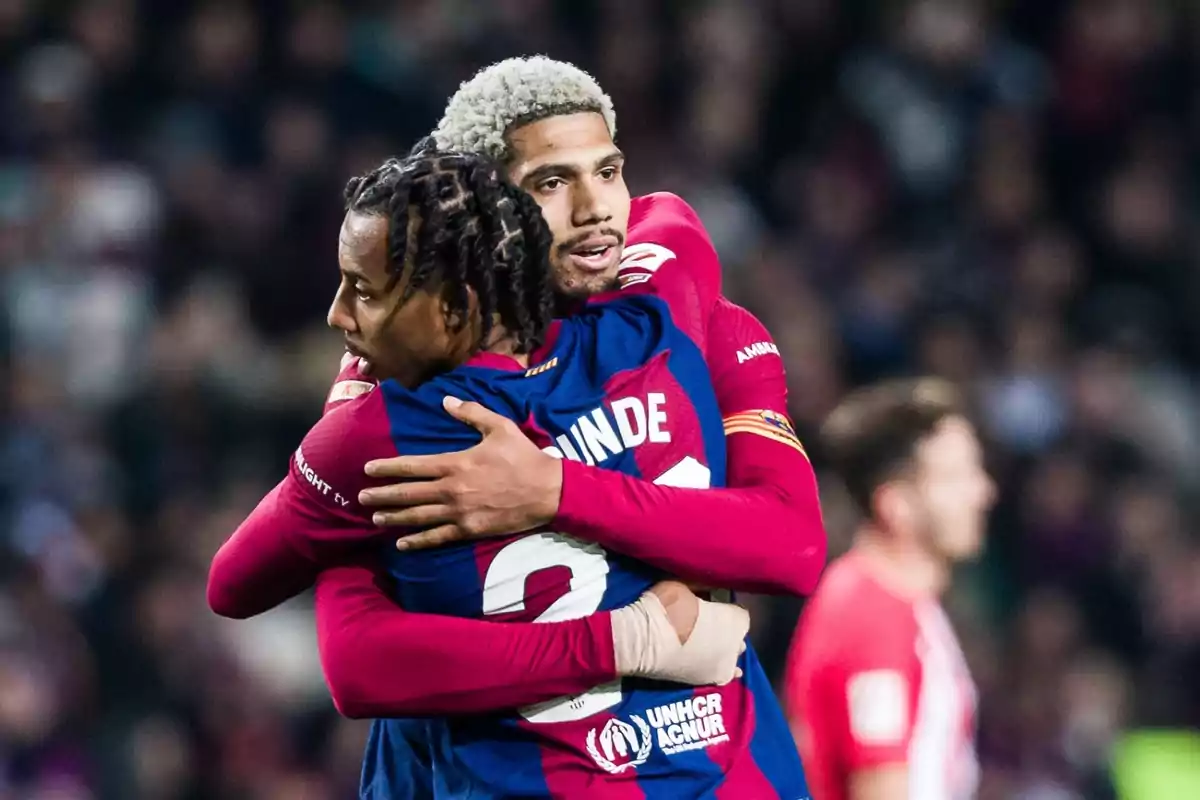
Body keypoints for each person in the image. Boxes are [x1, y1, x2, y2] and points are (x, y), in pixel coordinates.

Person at [209, 148, 807, 796]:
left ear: (456, 307)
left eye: (364, 291)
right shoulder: (655, 328)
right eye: (551, 184)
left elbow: (234, 586)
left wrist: (349, 406)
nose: (337, 315)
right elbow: (672, 222)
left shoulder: (382, 435)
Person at [783, 378, 996, 800]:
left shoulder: (903, 606)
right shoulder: (870, 617)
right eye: (956, 477)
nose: (983, 492)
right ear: (895, 505)